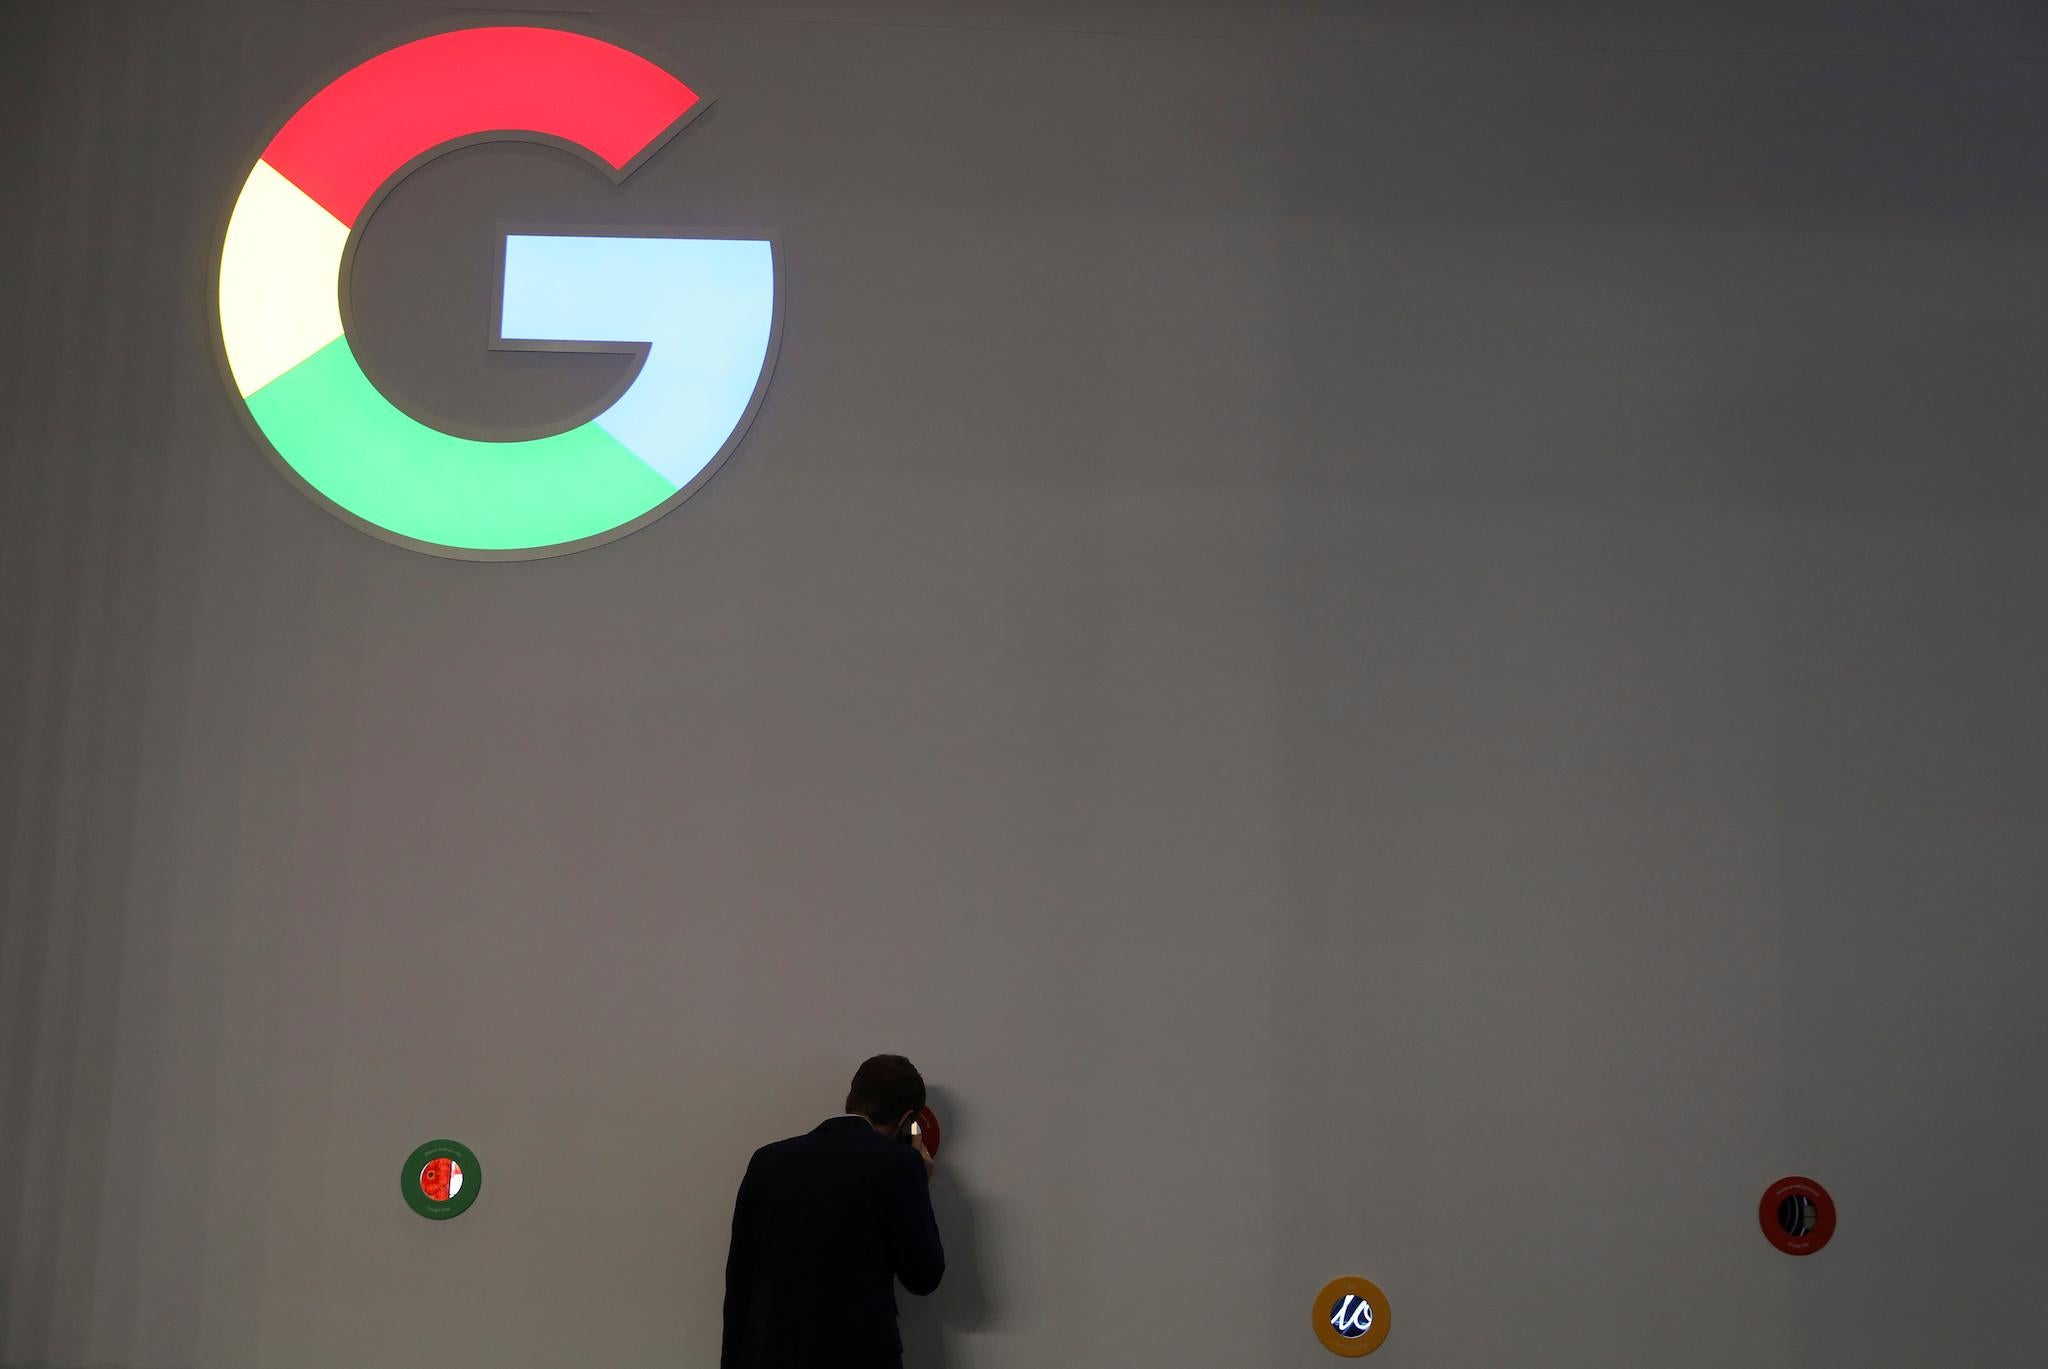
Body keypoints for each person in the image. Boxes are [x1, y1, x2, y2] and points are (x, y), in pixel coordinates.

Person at [721, 1055, 945, 1369]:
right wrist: (921, 1179)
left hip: (769, 1355)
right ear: (909, 1119)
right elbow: (924, 1276)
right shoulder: (899, 1165)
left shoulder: (767, 1161)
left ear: (851, 1098)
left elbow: (740, 1281)